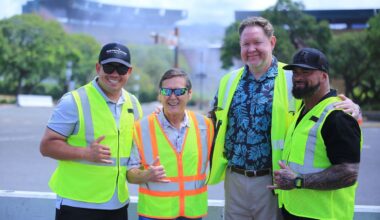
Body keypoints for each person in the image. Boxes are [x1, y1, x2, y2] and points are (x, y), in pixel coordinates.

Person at [207, 16, 361, 220]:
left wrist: (353, 106)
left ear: (272, 42)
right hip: (234, 179)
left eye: (257, 42)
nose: (251, 49)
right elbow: (211, 119)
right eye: (246, 44)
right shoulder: (228, 80)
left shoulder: (293, 78)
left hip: (273, 180)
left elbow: (323, 98)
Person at [40, 42, 143, 220]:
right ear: (98, 67)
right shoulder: (74, 100)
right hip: (77, 204)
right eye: (109, 67)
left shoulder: (133, 103)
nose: (115, 74)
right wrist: (85, 153)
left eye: (121, 69)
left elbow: (135, 151)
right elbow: (46, 146)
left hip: (117, 203)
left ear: (129, 72)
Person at [268, 48, 361, 220]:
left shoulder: (337, 116)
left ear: (324, 76)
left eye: (306, 72)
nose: (298, 77)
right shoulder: (303, 110)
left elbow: (349, 173)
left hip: (324, 215)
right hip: (295, 211)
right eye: (295, 72)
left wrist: (298, 181)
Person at [127, 68, 214, 220]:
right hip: (154, 214)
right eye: (167, 91)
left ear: (189, 94)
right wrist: (145, 175)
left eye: (179, 91)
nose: (172, 97)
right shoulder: (141, 128)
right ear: (160, 95)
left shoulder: (206, 126)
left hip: (192, 213)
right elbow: (129, 174)